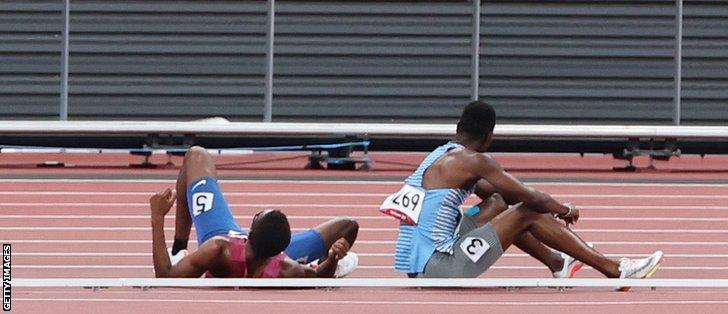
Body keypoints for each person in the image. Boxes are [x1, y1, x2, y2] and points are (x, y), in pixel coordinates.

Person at [381, 101, 663, 289]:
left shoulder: (441, 155)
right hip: (439, 269)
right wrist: (564, 210)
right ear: (489, 136)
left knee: (498, 204)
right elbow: (532, 200)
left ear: (458, 128)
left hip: (420, 264)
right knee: (527, 211)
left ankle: (559, 263)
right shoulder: (474, 160)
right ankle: (615, 270)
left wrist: (535, 209)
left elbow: (503, 197)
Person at [150, 145, 360, 278]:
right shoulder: (288, 269)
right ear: (282, 249)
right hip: (270, 261)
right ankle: (321, 259)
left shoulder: (217, 249)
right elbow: (318, 279)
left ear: (249, 233)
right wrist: (333, 259)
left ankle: (179, 249)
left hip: (219, 232)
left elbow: (165, 275)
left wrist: (158, 217)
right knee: (348, 226)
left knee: (196, 155)